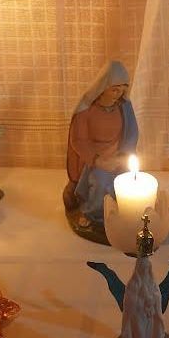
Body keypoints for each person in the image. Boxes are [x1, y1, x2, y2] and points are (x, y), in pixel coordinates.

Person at [65, 61, 138, 226]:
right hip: (93, 160)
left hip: (118, 155)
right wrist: (98, 160)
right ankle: (93, 214)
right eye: (115, 89)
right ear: (103, 87)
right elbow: (78, 140)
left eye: (123, 89)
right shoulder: (86, 110)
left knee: (130, 179)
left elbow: (132, 133)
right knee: (100, 180)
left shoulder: (124, 107)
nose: (119, 94)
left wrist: (123, 156)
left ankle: (124, 210)